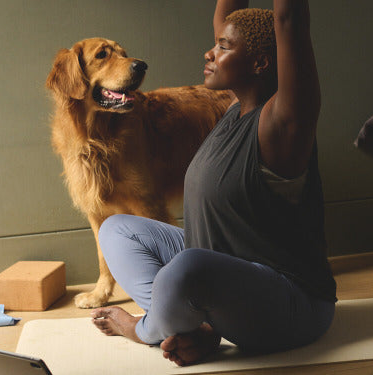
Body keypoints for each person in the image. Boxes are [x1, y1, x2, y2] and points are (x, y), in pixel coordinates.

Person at [90, 0, 336, 366]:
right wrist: (225, 38)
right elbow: (227, 16)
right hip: (226, 276)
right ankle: (193, 327)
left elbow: (290, 20)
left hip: (288, 304)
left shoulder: (284, 123)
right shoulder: (236, 106)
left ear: (261, 64)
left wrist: (139, 323)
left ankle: (144, 329)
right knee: (116, 231)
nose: (210, 51)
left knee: (188, 269)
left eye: (223, 47)